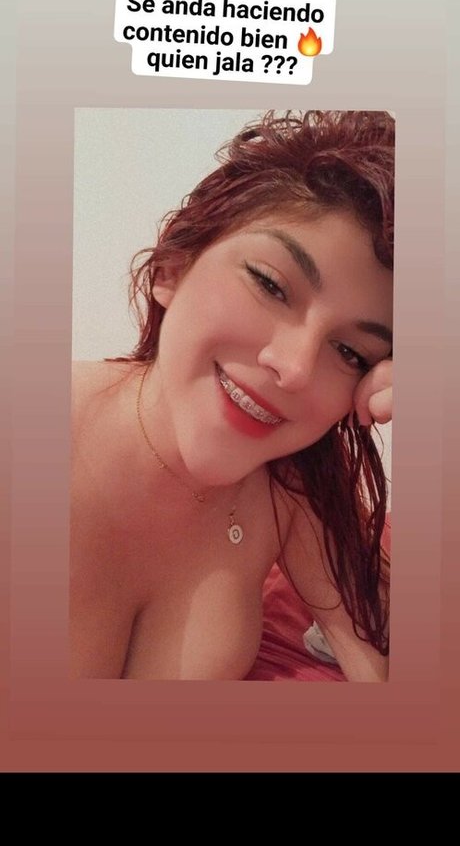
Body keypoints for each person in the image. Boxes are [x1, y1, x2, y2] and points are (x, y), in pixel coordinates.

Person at [70, 109, 394, 682]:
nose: (294, 369)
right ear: (171, 268)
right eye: (270, 285)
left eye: (350, 353)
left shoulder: (293, 484)